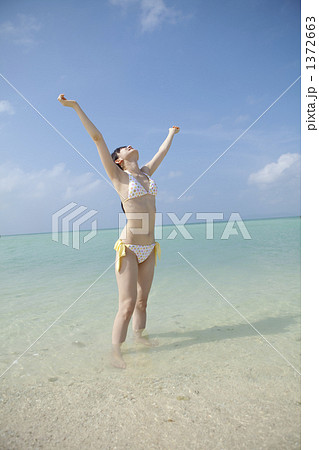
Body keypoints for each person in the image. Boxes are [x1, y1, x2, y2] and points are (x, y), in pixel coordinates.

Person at [57, 94, 180, 368]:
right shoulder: (119, 178)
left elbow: (161, 153)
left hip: (149, 248)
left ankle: (140, 338)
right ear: (119, 161)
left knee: (142, 302)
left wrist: (171, 134)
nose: (129, 146)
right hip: (129, 247)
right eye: (123, 148)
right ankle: (116, 352)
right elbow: (98, 138)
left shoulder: (146, 175)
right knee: (126, 304)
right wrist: (75, 106)